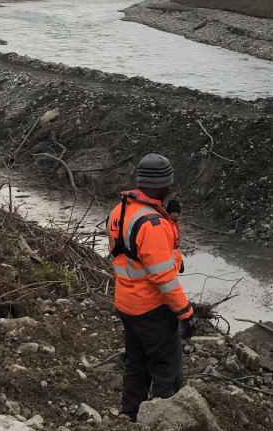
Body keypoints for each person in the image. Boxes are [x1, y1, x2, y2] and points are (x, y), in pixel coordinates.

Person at [107, 153, 195, 420]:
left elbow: (135, 255)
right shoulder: (153, 224)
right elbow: (164, 276)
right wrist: (185, 312)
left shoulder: (121, 211)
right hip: (152, 308)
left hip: (127, 302)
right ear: (161, 184)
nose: (171, 188)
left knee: (136, 363)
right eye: (169, 183)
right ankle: (160, 420)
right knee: (165, 369)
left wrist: (172, 221)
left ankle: (130, 415)